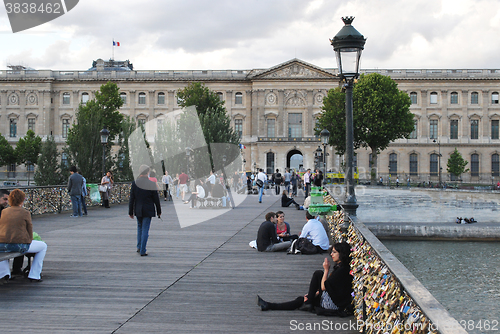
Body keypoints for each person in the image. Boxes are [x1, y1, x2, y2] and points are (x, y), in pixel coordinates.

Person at [257, 242, 353, 315]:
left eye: (334, 252)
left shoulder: (342, 270)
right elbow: (333, 287)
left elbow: (324, 287)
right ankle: (270, 305)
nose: (331, 254)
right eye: (332, 252)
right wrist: (316, 293)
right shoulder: (342, 267)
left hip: (333, 304)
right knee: (302, 298)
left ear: (342, 254)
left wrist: (326, 270)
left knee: (318, 275)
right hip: (335, 300)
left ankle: (307, 302)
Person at [0, 189, 47, 282]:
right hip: (19, 246)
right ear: (22, 200)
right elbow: (29, 230)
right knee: (43, 246)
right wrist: (29, 240)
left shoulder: (4, 212)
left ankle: (4, 273)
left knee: (3, 252)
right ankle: (34, 275)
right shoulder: (25, 212)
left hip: (3, 244)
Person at [128, 165, 162, 256]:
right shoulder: (151, 184)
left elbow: (132, 199)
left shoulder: (134, 183)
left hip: (138, 209)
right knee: (145, 229)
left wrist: (130, 211)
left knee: (139, 227)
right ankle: (143, 250)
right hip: (148, 209)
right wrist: (159, 211)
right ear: (148, 172)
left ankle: (139, 247)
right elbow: (156, 199)